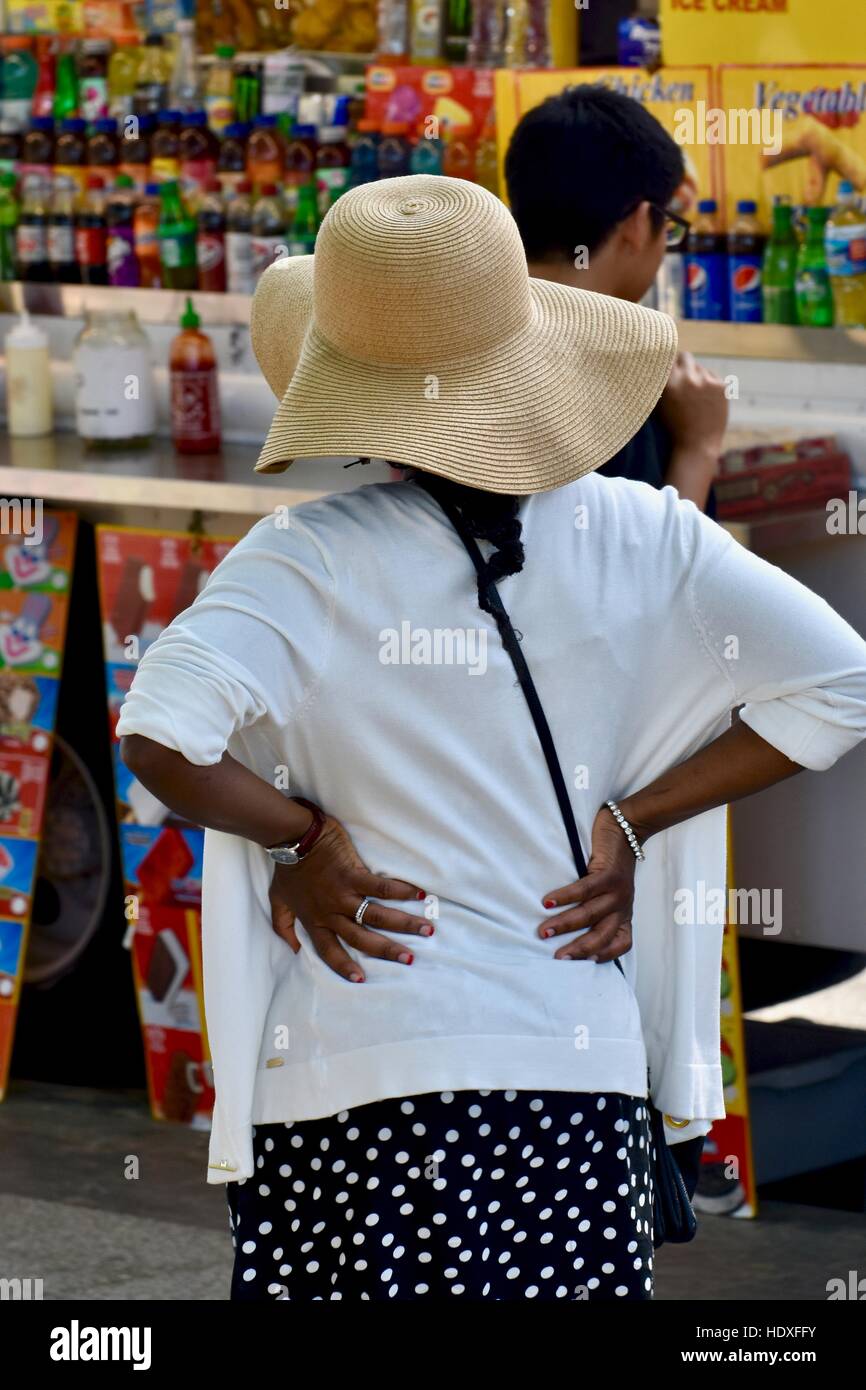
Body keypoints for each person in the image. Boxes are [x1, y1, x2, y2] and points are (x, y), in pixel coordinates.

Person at [117, 176, 866, 1303]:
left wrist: (302, 838)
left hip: (354, 1077)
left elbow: (159, 735)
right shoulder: (646, 535)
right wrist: (632, 819)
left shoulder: (302, 560)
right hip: (572, 1077)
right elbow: (840, 684)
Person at [505, 83, 726, 512]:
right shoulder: (622, 378)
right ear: (641, 223)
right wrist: (699, 448)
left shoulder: (459, 340)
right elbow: (650, 573)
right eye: (670, 225)